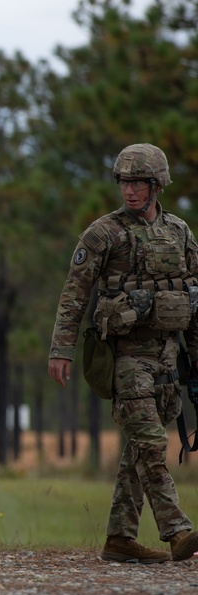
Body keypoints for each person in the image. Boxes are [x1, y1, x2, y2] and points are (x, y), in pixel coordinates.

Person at [48, 143, 198, 564]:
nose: (129, 191)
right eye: (124, 182)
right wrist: (61, 349)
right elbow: (74, 294)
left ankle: (119, 538)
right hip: (125, 356)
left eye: (138, 183)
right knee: (151, 444)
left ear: (157, 186)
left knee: (136, 452)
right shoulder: (102, 234)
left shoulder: (181, 233)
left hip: (168, 355)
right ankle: (177, 529)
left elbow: (196, 300)